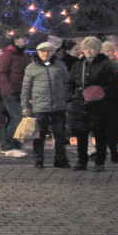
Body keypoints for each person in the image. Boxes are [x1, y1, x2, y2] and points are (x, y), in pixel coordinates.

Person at [69, 36, 118, 173]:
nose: (88, 51)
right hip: (81, 103)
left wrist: (103, 93)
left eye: (91, 48)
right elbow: (71, 82)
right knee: (81, 134)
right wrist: (71, 96)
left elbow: (114, 83)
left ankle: (99, 161)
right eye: (86, 48)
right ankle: (82, 161)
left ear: (98, 49)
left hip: (99, 104)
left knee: (100, 134)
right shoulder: (79, 64)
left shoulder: (106, 64)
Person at [21, 41, 70, 169]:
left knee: (60, 135)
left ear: (53, 52)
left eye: (48, 51)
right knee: (39, 135)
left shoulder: (59, 65)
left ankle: (60, 160)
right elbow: (26, 87)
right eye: (42, 51)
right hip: (39, 106)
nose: (45, 53)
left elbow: (67, 82)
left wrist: (66, 98)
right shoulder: (31, 67)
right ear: (38, 52)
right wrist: (25, 105)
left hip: (58, 105)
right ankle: (39, 160)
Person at [0, 30, 31, 157]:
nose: (25, 40)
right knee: (17, 117)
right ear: (16, 40)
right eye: (22, 38)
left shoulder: (24, 55)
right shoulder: (8, 54)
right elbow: (2, 72)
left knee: (20, 118)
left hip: (21, 91)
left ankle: (16, 144)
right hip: (10, 91)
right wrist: (9, 88)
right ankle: (9, 145)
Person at [100, 40, 118, 164]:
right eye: (107, 51)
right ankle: (110, 151)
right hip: (106, 98)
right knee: (106, 126)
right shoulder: (102, 64)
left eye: (111, 50)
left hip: (117, 99)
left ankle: (114, 150)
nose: (110, 53)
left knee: (114, 126)